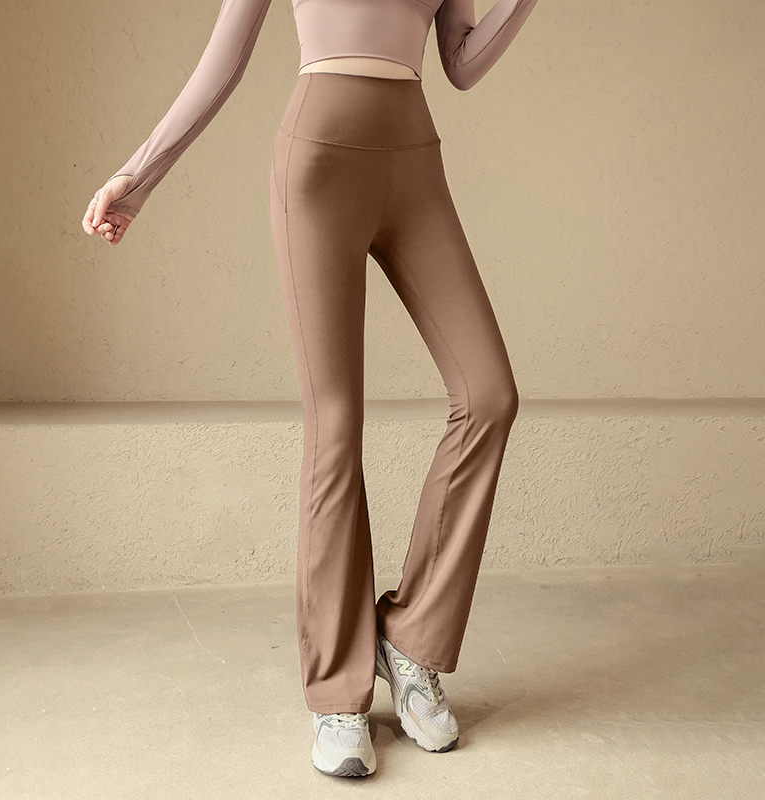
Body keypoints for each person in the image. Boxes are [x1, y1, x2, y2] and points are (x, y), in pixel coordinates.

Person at [81, 0, 540, 778]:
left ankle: (412, 640)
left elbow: (460, 63)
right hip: (320, 162)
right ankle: (337, 692)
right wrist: (140, 173)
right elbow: (224, 60)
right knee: (336, 424)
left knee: (489, 394)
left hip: (416, 163)